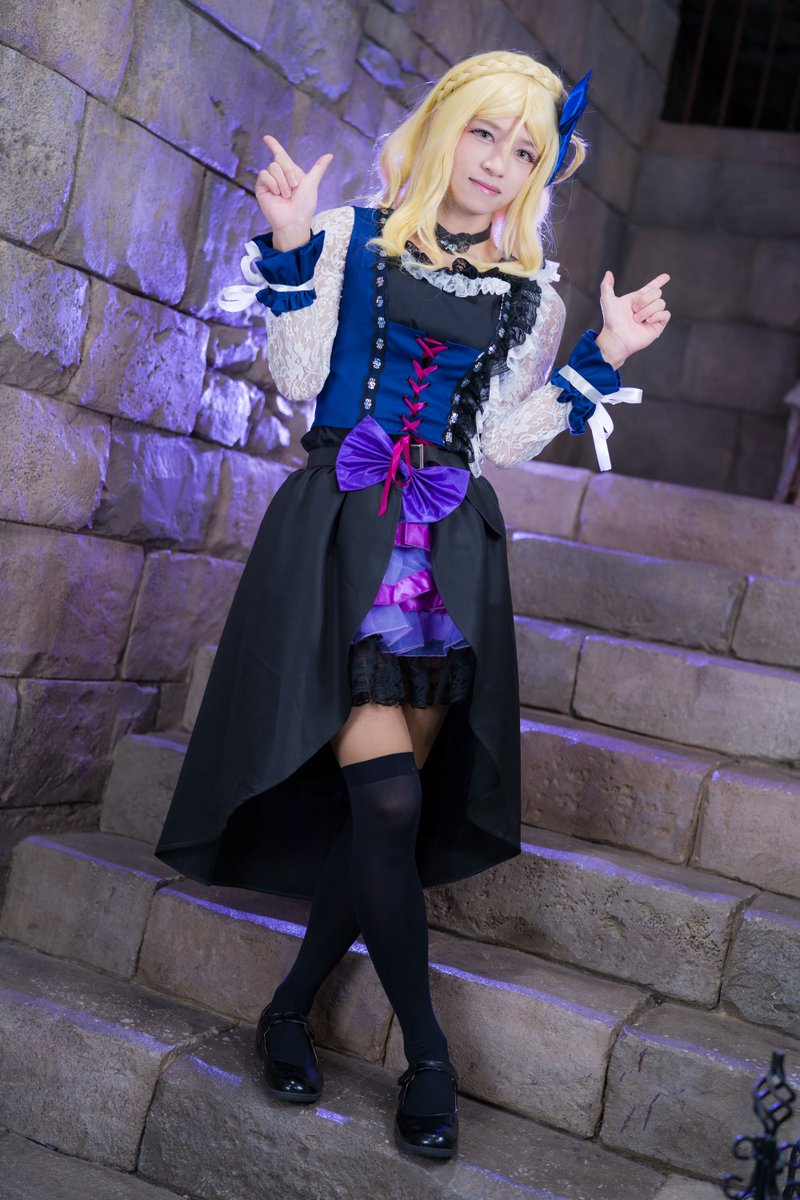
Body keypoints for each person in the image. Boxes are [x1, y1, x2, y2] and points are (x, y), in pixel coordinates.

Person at [154, 49, 670, 1160]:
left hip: (444, 554)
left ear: (539, 174)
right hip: (336, 535)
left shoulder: (532, 294)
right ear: (443, 125)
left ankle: (288, 1009)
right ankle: (430, 1057)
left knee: (380, 809)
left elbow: (495, 442)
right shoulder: (350, 236)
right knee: (385, 799)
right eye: (484, 133)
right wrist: (289, 244)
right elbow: (301, 379)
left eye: (525, 150)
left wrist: (599, 357)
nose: (497, 163)